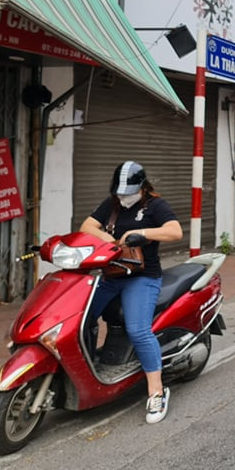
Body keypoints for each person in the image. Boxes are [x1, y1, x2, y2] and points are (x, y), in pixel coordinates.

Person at [79, 161, 183, 424]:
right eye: (120, 193)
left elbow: (175, 231)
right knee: (79, 319)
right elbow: (87, 227)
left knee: (138, 330)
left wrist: (141, 232)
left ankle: (156, 391)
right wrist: (113, 241)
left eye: (128, 193)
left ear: (142, 187)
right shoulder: (111, 204)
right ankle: (88, 367)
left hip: (142, 278)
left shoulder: (155, 206)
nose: (123, 198)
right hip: (111, 275)